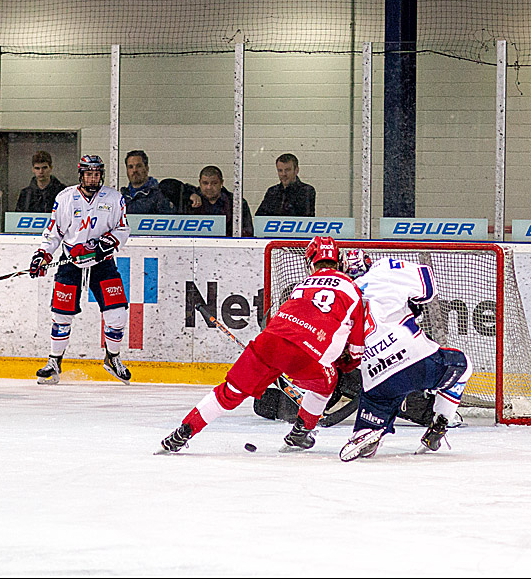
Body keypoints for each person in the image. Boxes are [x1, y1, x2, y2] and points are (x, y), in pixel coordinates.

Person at [159, 236, 365, 453]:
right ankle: (300, 433)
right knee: (326, 384)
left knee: (229, 391)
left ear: (310, 262)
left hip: (270, 341)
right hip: (308, 354)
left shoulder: (302, 285)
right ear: (338, 261)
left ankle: (182, 432)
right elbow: (356, 349)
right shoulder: (352, 289)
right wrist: (345, 365)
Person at [337, 250, 474, 461]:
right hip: (414, 357)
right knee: (462, 366)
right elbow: (428, 285)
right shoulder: (383, 269)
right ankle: (440, 423)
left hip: (375, 375)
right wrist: (412, 302)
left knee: (374, 411)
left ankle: (367, 431)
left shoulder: (340, 293)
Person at [28, 155, 132, 385]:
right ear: (81, 175)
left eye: (96, 174)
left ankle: (112, 358)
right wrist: (42, 254)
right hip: (71, 261)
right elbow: (54, 232)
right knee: (61, 315)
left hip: (102, 263)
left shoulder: (114, 198)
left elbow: (123, 229)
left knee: (117, 314)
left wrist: (105, 244)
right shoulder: (65, 198)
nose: (93, 178)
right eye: (88, 174)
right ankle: (54, 362)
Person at [183, 165, 254, 237]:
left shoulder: (236, 202)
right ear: (199, 182)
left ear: (221, 183)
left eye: (214, 183)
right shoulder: (189, 200)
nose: (209, 187)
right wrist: (189, 195)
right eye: (205, 183)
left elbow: (247, 232)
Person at [255, 153, 316, 217]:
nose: (283, 174)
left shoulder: (306, 191)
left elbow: (305, 217)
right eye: (280, 170)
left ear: (296, 170)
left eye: (287, 170)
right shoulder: (272, 191)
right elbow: (259, 217)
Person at [120, 150, 175, 215]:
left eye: (139, 166)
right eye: (130, 167)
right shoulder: (121, 197)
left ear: (147, 168)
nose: (134, 170)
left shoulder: (160, 196)